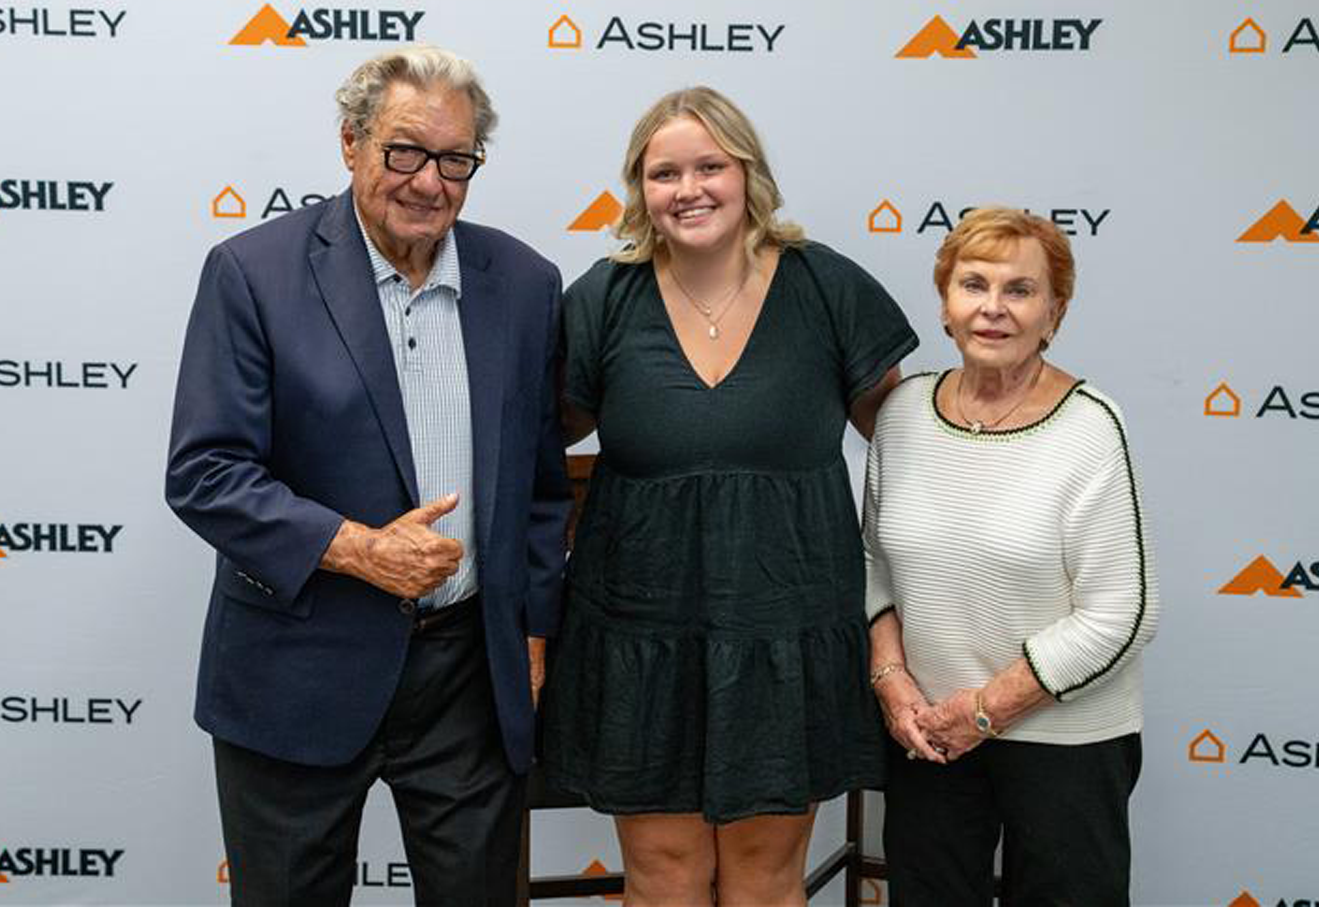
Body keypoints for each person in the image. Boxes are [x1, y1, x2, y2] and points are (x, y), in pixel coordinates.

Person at [165, 46, 569, 907]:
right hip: (298, 665)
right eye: (405, 151)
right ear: (351, 143)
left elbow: (541, 484)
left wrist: (532, 635)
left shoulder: (526, 284)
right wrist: (359, 549)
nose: (429, 182)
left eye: (455, 160)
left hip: (468, 679)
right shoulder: (252, 273)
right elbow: (205, 471)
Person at [541, 86, 918, 907]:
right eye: (664, 173)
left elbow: (907, 436)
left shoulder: (826, 286)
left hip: (786, 630)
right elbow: (536, 440)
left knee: (765, 878)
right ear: (640, 188)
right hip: (640, 636)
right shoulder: (603, 297)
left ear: (749, 173)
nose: (689, 189)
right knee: (663, 874)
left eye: (710, 166)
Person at [863, 207, 1160, 905]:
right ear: (945, 305)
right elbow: (875, 567)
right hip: (927, 733)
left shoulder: (1090, 426)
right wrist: (892, 682)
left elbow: (1123, 612)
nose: (993, 308)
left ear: (1054, 314)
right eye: (973, 285)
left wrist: (984, 711)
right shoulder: (903, 413)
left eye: (1020, 290)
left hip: (1064, 739)